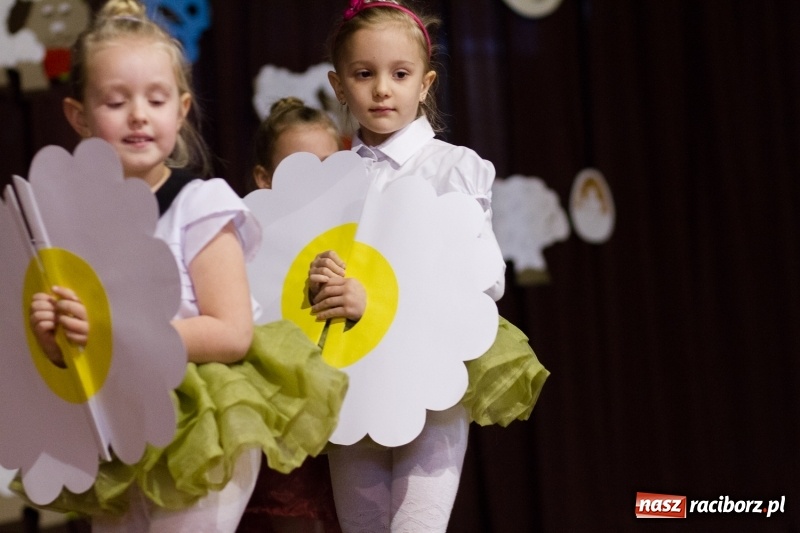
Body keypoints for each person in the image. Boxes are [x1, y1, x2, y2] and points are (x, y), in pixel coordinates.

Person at [25, 1, 346, 531]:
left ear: (181, 108)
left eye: (156, 98)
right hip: (117, 418)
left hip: (200, 416)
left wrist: (116, 335)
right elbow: (79, 349)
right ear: (78, 115)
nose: (138, 115)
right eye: (115, 101)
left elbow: (231, 331)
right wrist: (55, 338)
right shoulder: (72, 226)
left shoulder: (200, 206)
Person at [310, 1, 550, 531]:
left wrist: (375, 302)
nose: (381, 89)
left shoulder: (454, 169)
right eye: (363, 74)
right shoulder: (329, 180)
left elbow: (482, 281)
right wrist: (317, 281)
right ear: (338, 84)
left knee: (417, 524)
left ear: (425, 83)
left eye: (399, 74)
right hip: (353, 378)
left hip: (430, 378)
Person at [237, 97, 345, 533]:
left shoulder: (366, 241)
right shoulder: (244, 252)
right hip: (282, 443)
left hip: (351, 437)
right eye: (299, 169)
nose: (315, 182)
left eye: (327, 166)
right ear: (264, 179)